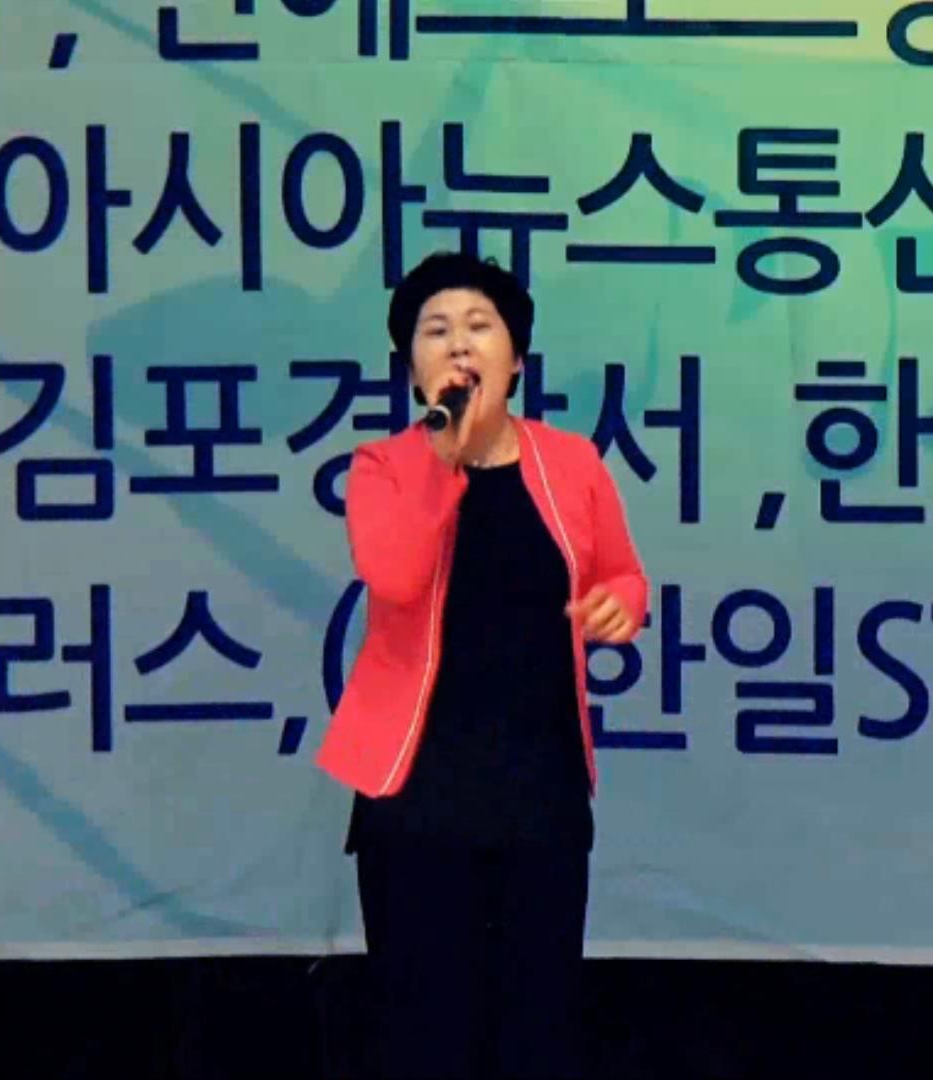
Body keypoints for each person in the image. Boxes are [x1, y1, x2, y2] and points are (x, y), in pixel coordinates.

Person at [315, 251, 650, 1079]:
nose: (458, 344)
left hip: (541, 792)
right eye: (435, 331)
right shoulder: (382, 468)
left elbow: (622, 573)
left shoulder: (571, 462)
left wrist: (621, 605)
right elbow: (395, 576)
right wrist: (444, 456)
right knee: (423, 1033)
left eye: (478, 326)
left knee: (539, 1027)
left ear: (516, 358)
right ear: (412, 368)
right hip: (417, 796)